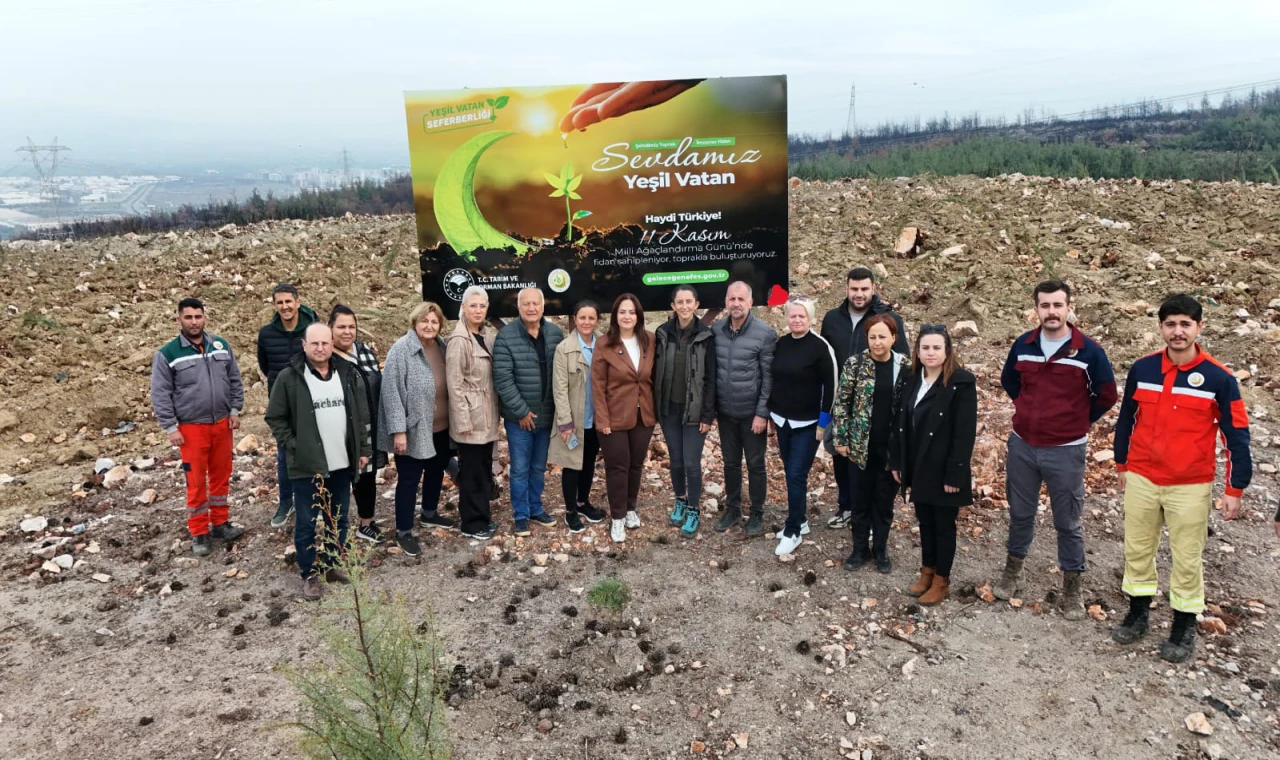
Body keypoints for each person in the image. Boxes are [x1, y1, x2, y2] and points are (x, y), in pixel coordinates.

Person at [1111, 294, 1253, 663]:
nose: (1178, 331)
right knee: (1138, 549)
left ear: (1199, 328)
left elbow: (1236, 434)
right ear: (1161, 328)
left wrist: (1234, 488)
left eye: (1185, 324)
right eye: (1171, 324)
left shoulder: (1219, 378)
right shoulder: (1143, 370)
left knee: (1187, 557)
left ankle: (1183, 624)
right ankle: (1138, 613)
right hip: (1142, 476)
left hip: (1190, 483)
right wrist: (1122, 465)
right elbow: (1126, 419)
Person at [994, 280, 1118, 619]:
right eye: (1045, 305)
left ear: (1068, 307)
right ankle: (1012, 572)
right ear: (1036, 308)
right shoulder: (1024, 344)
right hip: (1023, 446)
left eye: (1057, 305)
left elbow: (1106, 395)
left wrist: (1076, 421)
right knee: (1020, 514)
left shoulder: (1089, 351)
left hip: (1066, 450)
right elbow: (1010, 381)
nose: (1051, 311)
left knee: (1068, 521)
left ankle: (1072, 588)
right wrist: (1029, 410)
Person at [265, 323, 371, 601]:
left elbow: (358, 415)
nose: (321, 348)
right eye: (315, 344)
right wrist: (295, 446)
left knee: (338, 520)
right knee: (307, 522)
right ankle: (309, 573)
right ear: (304, 345)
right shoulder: (290, 377)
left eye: (325, 343)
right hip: (306, 465)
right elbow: (275, 417)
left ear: (332, 344)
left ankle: (332, 565)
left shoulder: (345, 372)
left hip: (341, 461)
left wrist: (363, 448)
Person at [150, 297, 246, 557]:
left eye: (198, 316)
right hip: (191, 429)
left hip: (222, 424)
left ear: (205, 317)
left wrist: (235, 409)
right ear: (178, 319)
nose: (194, 322)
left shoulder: (220, 345)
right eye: (188, 317)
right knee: (195, 482)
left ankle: (220, 523)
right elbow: (160, 393)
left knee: (221, 475)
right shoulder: (168, 354)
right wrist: (171, 427)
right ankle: (199, 531)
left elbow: (234, 379)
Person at [889, 325, 977, 606]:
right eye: (925, 347)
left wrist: (956, 472)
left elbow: (965, 432)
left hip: (944, 468)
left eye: (936, 347)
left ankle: (942, 580)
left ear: (947, 350)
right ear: (917, 351)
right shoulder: (911, 377)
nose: (930, 353)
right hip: (917, 463)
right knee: (924, 521)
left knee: (943, 524)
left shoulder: (961, 382)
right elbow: (899, 423)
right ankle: (926, 572)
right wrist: (897, 460)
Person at [820, 267, 908, 531]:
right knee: (841, 455)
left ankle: (872, 517)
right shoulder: (832, 319)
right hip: (841, 401)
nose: (859, 294)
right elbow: (824, 358)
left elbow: (903, 364)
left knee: (873, 464)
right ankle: (847, 507)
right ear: (846, 288)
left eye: (864, 289)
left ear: (873, 288)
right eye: (854, 289)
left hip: (876, 405)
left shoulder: (889, 319)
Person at [831, 314, 911, 573]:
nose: (877, 342)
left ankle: (880, 550)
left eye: (883, 337)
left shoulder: (904, 366)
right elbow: (842, 403)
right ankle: (859, 550)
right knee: (860, 501)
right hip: (859, 447)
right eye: (873, 337)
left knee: (884, 503)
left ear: (894, 338)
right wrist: (841, 438)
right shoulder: (855, 364)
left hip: (890, 449)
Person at [379, 302, 457, 557]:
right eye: (425, 321)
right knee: (409, 480)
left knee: (436, 471)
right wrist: (398, 431)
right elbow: (391, 393)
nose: (429, 326)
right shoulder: (401, 350)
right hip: (413, 428)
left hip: (442, 427)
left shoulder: (442, 347)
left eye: (434, 322)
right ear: (415, 322)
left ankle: (430, 514)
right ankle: (403, 531)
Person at [492, 287, 564, 536]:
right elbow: (502, 379)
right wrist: (522, 412)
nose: (532, 308)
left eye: (536, 303)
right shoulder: (506, 336)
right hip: (519, 420)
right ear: (519, 307)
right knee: (520, 468)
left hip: (546, 417)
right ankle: (520, 514)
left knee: (538, 467)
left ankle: (536, 508)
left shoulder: (555, 334)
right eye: (526, 304)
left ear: (543, 307)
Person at [768, 297, 836, 556]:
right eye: (792, 316)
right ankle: (803, 520)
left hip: (809, 424)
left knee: (796, 474)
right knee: (790, 471)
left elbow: (831, 387)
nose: (797, 320)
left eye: (802, 316)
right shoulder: (782, 344)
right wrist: (772, 417)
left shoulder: (820, 347)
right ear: (787, 318)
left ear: (810, 318)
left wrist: (823, 423)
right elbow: (775, 379)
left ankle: (793, 529)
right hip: (782, 420)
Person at [592, 293, 657, 543]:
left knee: (636, 465)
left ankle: (631, 509)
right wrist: (603, 419)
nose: (627, 316)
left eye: (631, 312)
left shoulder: (649, 340)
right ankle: (617, 517)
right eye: (622, 312)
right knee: (617, 467)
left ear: (638, 315)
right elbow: (597, 385)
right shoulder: (604, 344)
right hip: (614, 417)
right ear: (615, 316)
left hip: (643, 416)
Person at [712, 281, 776, 536]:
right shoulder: (716, 330)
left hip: (752, 415)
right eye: (732, 299)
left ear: (750, 302)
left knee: (755, 464)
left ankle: (757, 512)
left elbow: (769, 378)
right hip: (726, 413)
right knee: (730, 463)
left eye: (741, 299)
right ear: (726, 302)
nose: (736, 303)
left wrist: (762, 413)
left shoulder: (765, 334)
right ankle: (733, 508)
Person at [654, 285, 717, 538]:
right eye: (679, 302)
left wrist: (707, 415)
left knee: (692, 462)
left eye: (688, 301)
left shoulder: (706, 336)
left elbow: (711, 379)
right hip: (669, 409)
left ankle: (693, 509)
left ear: (696, 304)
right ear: (672, 306)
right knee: (676, 460)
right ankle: (679, 499)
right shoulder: (662, 333)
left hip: (695, 410)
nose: (684, 306)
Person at [257, 283, 318, 530]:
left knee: (315, 453)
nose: (285, 307)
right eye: (280, 302)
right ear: (274, 305)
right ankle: (286, 501)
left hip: (312, 401)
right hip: (282, 406)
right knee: (284, 457)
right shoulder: (267, 334)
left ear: (298, 302)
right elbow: (265, 365)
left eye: (288, 301)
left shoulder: (313, 330)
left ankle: (317, 501)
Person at [329, 305, 390, 545]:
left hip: (370, 425)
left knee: (368, 475)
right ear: (330, 328)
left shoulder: (364, 351)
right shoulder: (327, 357)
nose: (347, 332)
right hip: (342, 430)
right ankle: (336, 531)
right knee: (341, 480)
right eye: (341, 327)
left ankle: (366, 523)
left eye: (351, 326)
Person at [446, 286, 501, 541]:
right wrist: (463, 420)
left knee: (482, 469)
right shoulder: (459, 340)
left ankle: (483, 517)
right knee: (471, 473)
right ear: (463, 308)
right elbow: (455, 384)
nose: (478, 311)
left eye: (482, 306)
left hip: (486, 415)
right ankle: (472, 523)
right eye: (473, 306)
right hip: (471, 418)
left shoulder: (484, 336)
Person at [548, 300, 608, 533]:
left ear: (597, 320)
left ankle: (583, 502)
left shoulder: (604, 345)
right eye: (582, 317)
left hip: (596, 417)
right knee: (572, 465)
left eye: (591, 318)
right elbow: (559, 389)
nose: (586, 322)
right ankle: (571, 511)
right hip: (574, 419)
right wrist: (565, 422)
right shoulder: (564, 348)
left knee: (589, 462)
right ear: (574, 319)